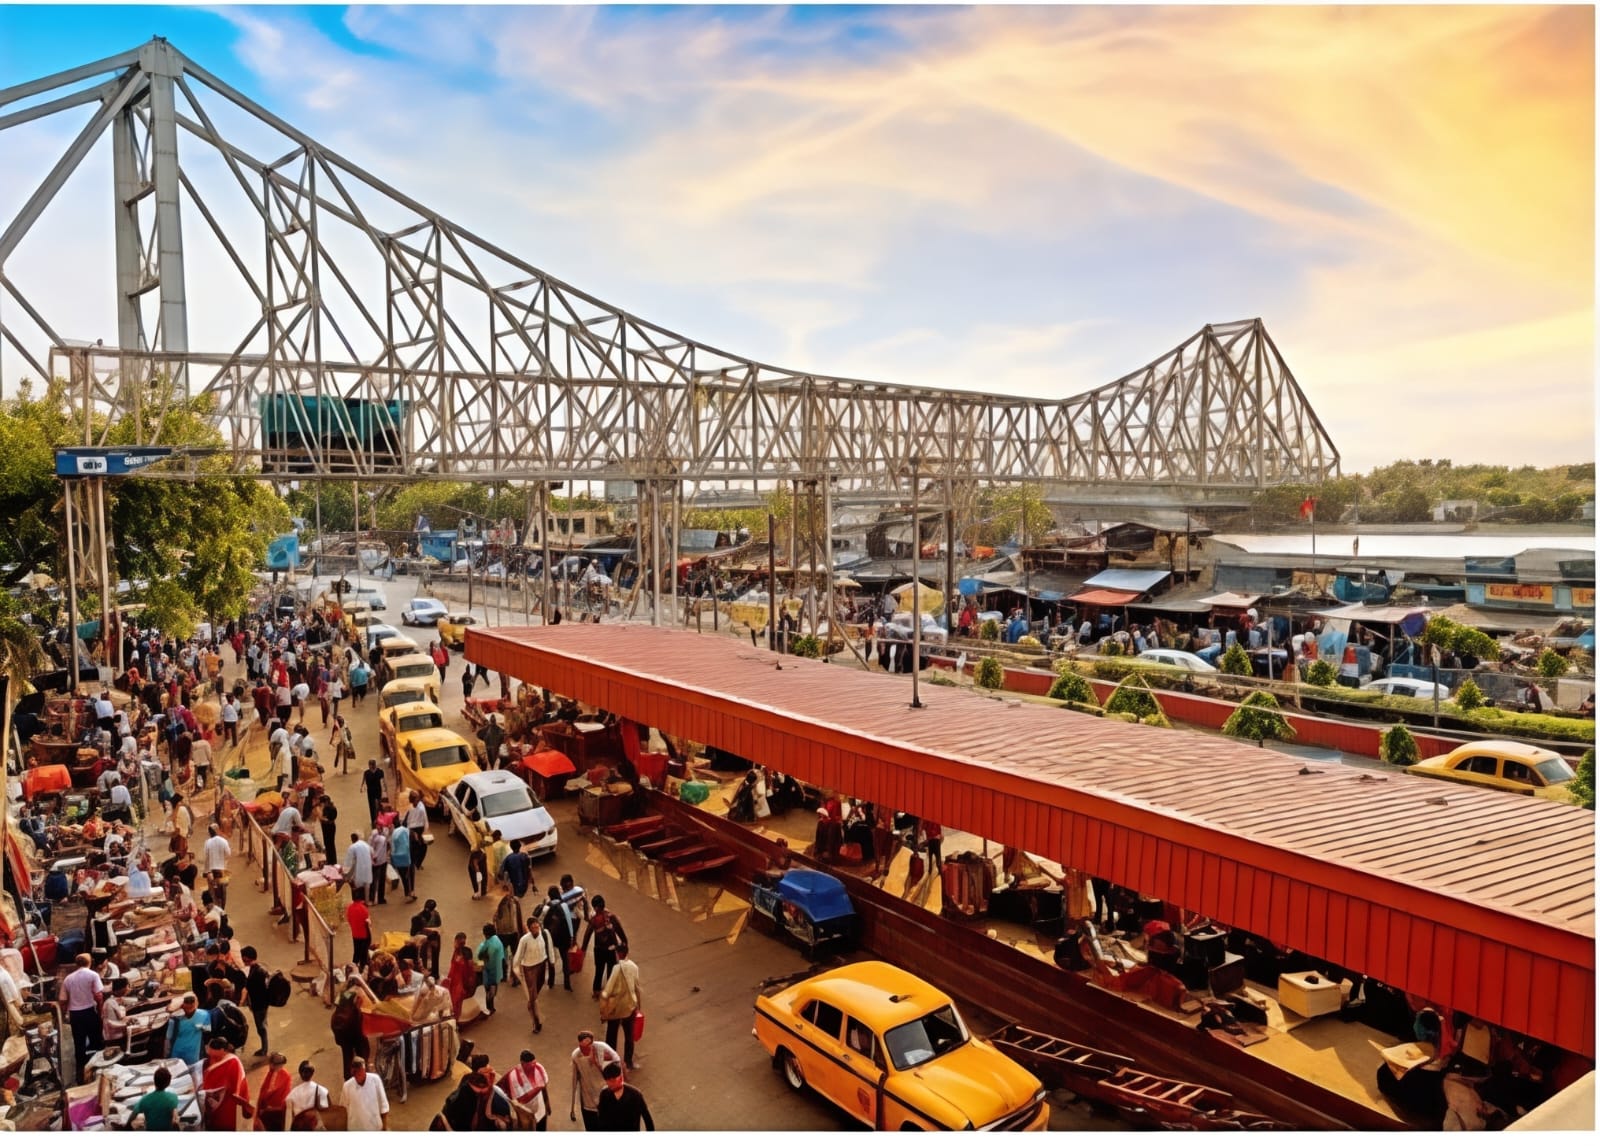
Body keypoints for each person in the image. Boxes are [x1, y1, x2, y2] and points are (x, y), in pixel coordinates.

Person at [58, 952, 104, 1082]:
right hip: (89, 1011)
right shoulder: (93, 975)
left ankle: (81, 1075)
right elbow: (99, 996)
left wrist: (64, 1014)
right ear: (89, 962)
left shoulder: (68, 979)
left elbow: (62, 1000)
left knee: (79, 1045)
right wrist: (100, 1013)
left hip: (75, 1015)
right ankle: (98, 1071)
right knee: (96, 1042)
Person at [569, 1031, 623, 1131]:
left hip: (607, 1096)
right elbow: (574, 1080)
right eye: (581, 1047)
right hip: (588, 1099)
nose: (583, 1050)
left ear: (592, 1044)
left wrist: (596, 1062)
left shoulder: (603, 1049)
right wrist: (572, 1108)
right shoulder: (576, 1055)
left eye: (587, 1047)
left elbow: (615, 1071)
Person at [598, 945, 642, 1070]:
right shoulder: (634, 967)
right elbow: (637, 988)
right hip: (630, 1007)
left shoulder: (617, 968)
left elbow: (608, 989)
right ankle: (629, 1062)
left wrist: (603, 1008)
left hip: (617, 1009)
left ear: (618, 954)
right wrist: (638, 1006)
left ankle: (612, 1062)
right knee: (629, 1036)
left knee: (611, 1035)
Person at [514, 915, 556, 1034]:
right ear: (529, 928)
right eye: (533, 927)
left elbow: (549, 948)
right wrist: (518, 973)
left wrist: (551, 962)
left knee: (536, 991)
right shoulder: (524, 940)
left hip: (542, 965)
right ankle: (536, 1022)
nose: (536, 929)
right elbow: (517, 958)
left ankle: (531, 1003)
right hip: (529, 969)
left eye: (537, 926)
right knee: (532, 998)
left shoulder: (544, 934)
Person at [200, 1035, 253, 1131]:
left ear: (223, 1050)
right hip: (215, 1100)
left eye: (215, 1056)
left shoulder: (233, 1062)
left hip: (228, 1100)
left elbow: (237, 1083)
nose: (212, 1058)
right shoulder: (215, 1058)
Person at [582, 895, 628, 999]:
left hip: (598, 950)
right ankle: (609, 991)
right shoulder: (611, 916)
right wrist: (625, 942)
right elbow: (619, 930)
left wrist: (583, 949)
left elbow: (587, 934)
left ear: (596, 907)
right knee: (611, 970)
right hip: (611, 949)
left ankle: (596, 991)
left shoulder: (594, 920)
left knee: (599, 970)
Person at [165, 993, 211, 1084]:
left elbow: (168, 1038)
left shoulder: (174, 1018)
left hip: (182, 1056)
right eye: (187, 1002)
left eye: (191, 1001)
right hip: (189, 1056)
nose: (190, 1004)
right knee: (194, 1081)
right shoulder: (204, 1015)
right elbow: (207, 1031)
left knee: (179, 1081)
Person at [537, 886, 576, 991]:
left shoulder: (547, 906)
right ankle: (567, 983)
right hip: (564, 937)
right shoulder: (564, 905)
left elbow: (539, 921)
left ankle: (551, 982)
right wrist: (572, 936)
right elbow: (569, 922)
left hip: (551, 937)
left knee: (551, 958)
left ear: (550, 895)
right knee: (565, 959)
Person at [596, 1062, 655, 1131]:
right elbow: (601, 1118)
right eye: (607, 1081)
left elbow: (647, 1119)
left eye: (612, 1081)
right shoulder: (604, 1094)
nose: (609, 1084)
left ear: (621, 1078)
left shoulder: (636, 1095)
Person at [504, 1048, 550, 1131]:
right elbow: (516, 1100)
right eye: (530, 1066)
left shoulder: (538, 1067)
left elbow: (544, 1085)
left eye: (534, 1064)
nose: (533, 1068)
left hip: (541, 1109)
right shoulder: (513, 1076)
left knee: (542, 1129)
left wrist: (547, 1103)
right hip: (526, 1113)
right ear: (522, 1063)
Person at [239, 946, 272, 1056]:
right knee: (262, 1025)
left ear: (247, 958)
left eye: (244, 958)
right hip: (262, 1003)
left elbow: (248, 987)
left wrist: (241, 1003)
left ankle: (264, 1049)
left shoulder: (255, 972)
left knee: (261, 1028)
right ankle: (264, 1047)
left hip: (259, 1005)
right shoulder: (259, 969)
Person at [341, 1056, 391, 1131]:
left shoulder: (375, 1080)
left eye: (359, 1072)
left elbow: (383, 1106)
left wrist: (385, 1127)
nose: (357, 1075)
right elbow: (344, 1109)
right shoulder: (347, 1086)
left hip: (374, 1127)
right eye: (355, 1072)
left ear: (364, 1070)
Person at [125, 1065, 181, 1130]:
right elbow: (174, 1113)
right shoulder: (173, 1097)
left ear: (154, 1081)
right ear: (168, 1083)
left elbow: (134, 1113)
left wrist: (128, 1125)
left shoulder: (145, 1099)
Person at [285, 1059, 330, 1131]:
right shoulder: (322, 1091)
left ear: (300, 1073)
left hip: (299, 1128)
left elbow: (289, 1117)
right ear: (313, 1073)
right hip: (315, 1128)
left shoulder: (292, 1094)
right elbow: (327, 1115)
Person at [254, 1052, 292, 1131]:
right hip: (269, 1110)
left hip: (275, 1110)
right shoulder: (271, 1073)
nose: (270, 1065)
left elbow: (284, 1094)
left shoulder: (285, 1076)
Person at [477, 922, 507, 1016]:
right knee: (492, 991)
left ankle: (489, 1007)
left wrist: (480, 968)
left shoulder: (485, 945)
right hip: (495, 971)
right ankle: (490, 1007)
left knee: (488, 991)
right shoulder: (498, 942)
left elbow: (480, 958)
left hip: (488, 971)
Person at [445, 932, 476, 1019]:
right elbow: (470, 965)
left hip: (455, 982)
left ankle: (455, 1017)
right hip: (463, 980)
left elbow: (453, 968)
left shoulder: (456, 953)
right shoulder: (467, 951)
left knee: (455, 1000)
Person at [411, 899, 444, 978]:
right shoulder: (433, 915)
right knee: (425, 955)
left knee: (426, 956)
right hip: (427, 936)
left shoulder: (420, 916)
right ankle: (429, 972)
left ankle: (429, 971)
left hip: (429, 935)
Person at [203, 824, 232, 909]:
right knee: (224, 885)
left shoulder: (207, 842)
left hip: (210, 869)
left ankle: (214, 906)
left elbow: (206, 855)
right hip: (221, 869)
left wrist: (205, 871)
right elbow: (228, 854)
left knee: (211, 891)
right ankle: (223, 908)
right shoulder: (223, 841)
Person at [100, 977, 131, 1047]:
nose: (128, 989)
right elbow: (111, 1023)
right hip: (114, 1037)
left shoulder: (113, 1000)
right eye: (127, 986)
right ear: (122, 989)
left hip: (114, 1032)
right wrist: (128, 1024)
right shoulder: (110, 1003)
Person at [343, 831, 374, 902]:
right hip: (367, 867)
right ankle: (367, 901)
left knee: (357, 885)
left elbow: (348, 861)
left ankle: (358, 902)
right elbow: (372, 852)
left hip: (359, 868)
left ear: (352, 840)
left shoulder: (352, 847)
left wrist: (345, 873)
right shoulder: (365, 844)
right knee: (367, 885)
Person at [347, 887, 373, 969]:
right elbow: (368, 923)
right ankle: (362, 968)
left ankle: (353, 967)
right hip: (364, 935)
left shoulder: (350, 908)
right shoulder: (364, 909)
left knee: (356, 952)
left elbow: (349, 920)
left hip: (355, 934)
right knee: (363, 954)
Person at [391, 818, 416, 901]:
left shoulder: (393, 834)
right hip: (407, 858)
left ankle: (408, 894)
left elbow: (392, 847)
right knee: (409, 876)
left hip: (397, 858)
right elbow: (412, 845)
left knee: (403, 877)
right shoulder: (408, 832)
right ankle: (410, 894)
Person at [362, 758, 386, 827]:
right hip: (375, 791)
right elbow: (383, 782)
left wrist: (362, 787)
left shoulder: (368, 773)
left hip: (373, 791)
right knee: (376, 806)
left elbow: (363, 782)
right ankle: (378, 819)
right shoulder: (379, 772)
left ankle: (375, 821)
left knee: (374, 806)